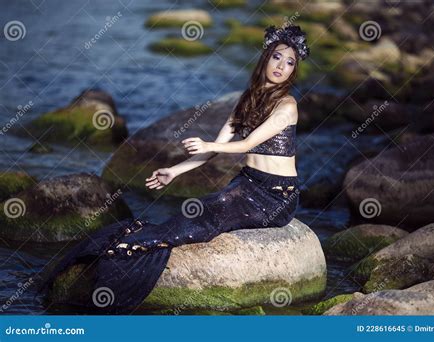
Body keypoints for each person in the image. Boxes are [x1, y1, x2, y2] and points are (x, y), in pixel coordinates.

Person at [36, 25, 310, 314]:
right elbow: (215, 148)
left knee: (211, 212)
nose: (281, 66)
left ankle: (138, 250)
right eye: (277, 57)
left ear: (294, 71)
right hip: (247, 182)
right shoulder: (247, 100)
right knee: (200, 209)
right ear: (265, 57)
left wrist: (205, 144)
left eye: (290, 62)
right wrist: (174, 171)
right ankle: (130, 245)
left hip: (276, 196)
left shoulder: (287, 105)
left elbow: (247, 144)